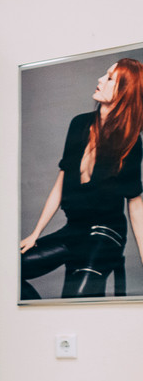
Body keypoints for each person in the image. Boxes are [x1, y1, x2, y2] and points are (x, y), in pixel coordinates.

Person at [21, 58, 143, 299]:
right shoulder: (79, 124)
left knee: (75, 302)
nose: (100, 80)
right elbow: (60, 183)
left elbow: (135, 203)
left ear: (123, 92)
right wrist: (35, 233)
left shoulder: (131, 142)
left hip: (105, 235)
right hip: (73, 231)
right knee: (9, 272)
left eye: (109, 78)